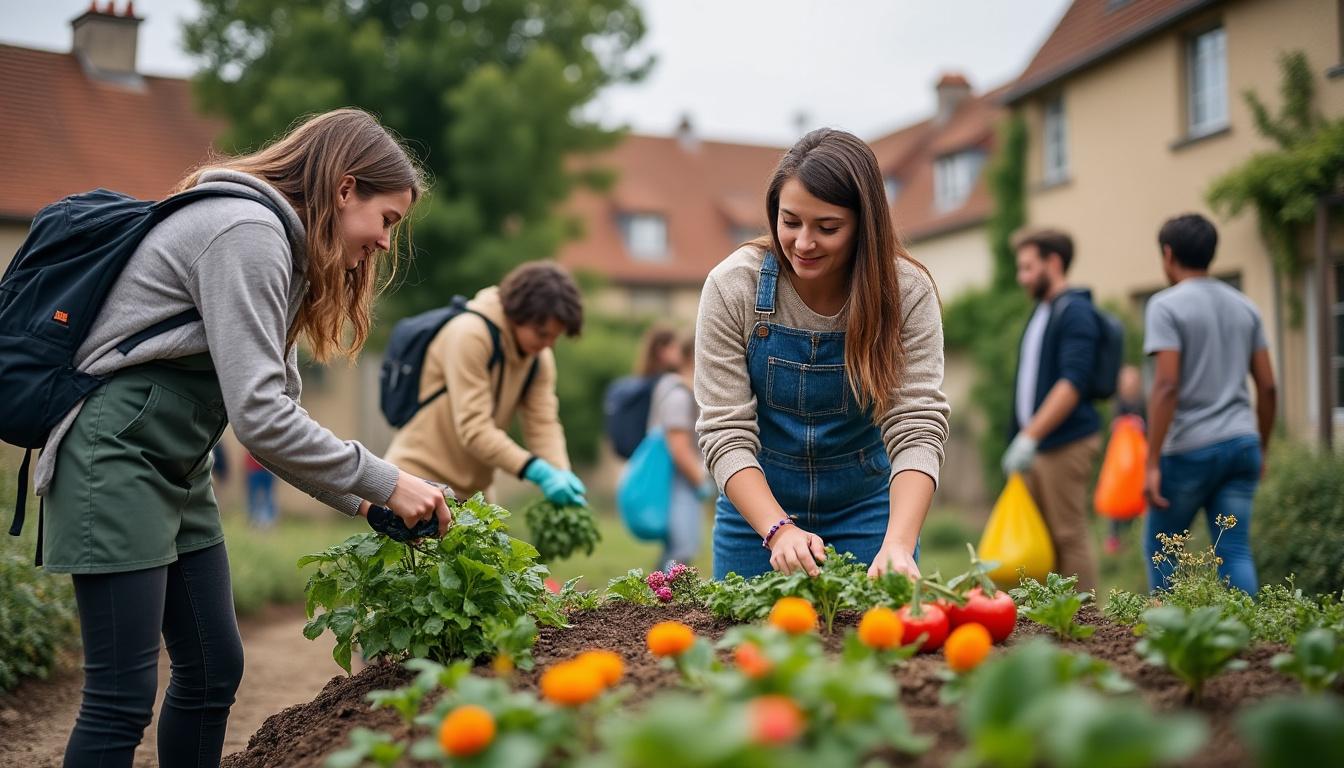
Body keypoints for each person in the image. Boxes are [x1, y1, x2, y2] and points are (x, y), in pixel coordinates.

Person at [36, 108, 452, 768]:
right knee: (120, 697)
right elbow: (260, 418)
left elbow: (277, 417)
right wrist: (388, 479)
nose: (383, 241)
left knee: (212, 669)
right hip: (114, 457)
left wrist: (367, 501)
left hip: (177, 465)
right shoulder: (247, 233)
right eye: (386, 219)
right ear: (345, 189)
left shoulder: (280, 248)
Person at [696, 128, 949, 581]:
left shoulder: (906, 293)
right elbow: (725, 431)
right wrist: (778, 530)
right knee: (745, 629)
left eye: (827, 228)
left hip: (869, 511)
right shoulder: (733, 287)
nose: (804, 243)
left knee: (876, 627)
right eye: (790, 221)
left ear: (864, 225)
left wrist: (898, 543)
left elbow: (916, 426)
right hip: (757, 513)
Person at [1143, 213, 1276, 595]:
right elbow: (1268, 387)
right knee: (1234, 551)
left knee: (1163, 551)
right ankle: (1248, 631)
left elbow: (1167, 385)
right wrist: (1261, 447)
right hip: (1242, 443)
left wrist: (1151, 462)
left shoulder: (1165, 306)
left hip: (1189, 449)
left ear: (1168, 255)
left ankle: (1169, 628)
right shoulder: (1245, 306)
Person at [383, 261, 586, 505]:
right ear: (517, 315)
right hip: (418, 482)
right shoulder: (470, 334)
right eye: (542, 333)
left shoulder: (539, 358)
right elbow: (474, 429)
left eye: (555, 337)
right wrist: (536, 470)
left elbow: (542, 423)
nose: (548, 344)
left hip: (474, 496)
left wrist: (560, 473)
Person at [1001, 228, 1103, 593]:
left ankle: (1087, 619)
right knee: (1042, 539)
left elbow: (1072, 383)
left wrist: (1029, 437)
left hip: (1065, 442)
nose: (1021, 277)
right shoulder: (1043, 312)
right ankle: (1051, 617)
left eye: (1028, 267)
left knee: (1068, 535)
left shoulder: (1076, 312)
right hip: (1038, 445)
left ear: (1054, 263)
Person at [644, 332, 709, 571]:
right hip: (678, 482)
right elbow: (679, 448)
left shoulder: (674, 388)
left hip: (677, 481)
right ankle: (664, 590)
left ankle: (661, 589)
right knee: (681, 549)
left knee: (676, 548)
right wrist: (701, 481)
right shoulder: (679, 394)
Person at [1103, 364, 1145, 555]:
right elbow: (1114, 425)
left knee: (1139, 491)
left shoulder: (1143, 402)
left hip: (1138, 455)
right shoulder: (1117, 402)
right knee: (1116, 492)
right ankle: (1114, 537)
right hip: (1120, 456)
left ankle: (1137, 534)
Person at [244, 451, 277, 529]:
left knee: (263, 496)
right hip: (259, 470)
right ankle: (257, 521)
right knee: (259, 496)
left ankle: (265, 521)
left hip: (263, 470)